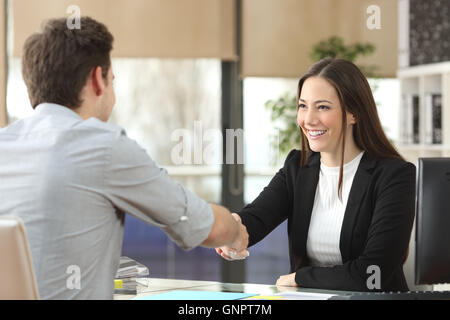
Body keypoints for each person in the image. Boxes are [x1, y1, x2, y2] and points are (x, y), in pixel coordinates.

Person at [0, 17, 248, 300]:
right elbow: (207, 227)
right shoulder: (102, 147)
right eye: (112, 81)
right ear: (97, 80)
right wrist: (236, 231)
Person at [216, 58, 416, 292]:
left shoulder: (394, 176)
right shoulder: (297, 167)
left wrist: (302, 277)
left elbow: (372, 273)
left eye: (322, 107)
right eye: (303, 105)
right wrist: (234, 232)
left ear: (354, 114)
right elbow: (256, 218)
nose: (308, 119)